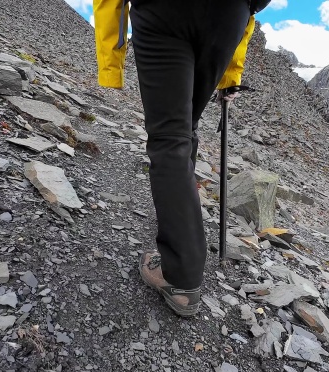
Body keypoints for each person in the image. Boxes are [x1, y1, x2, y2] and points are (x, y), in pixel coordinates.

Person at [93, 0, 263, 316]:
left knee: (170, 139)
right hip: (227, 17)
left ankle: (181, 276)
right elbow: (251, 9)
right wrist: (231, 74)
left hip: (164, 12)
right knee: (186, 128)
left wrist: (110, 64)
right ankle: (180, 233)